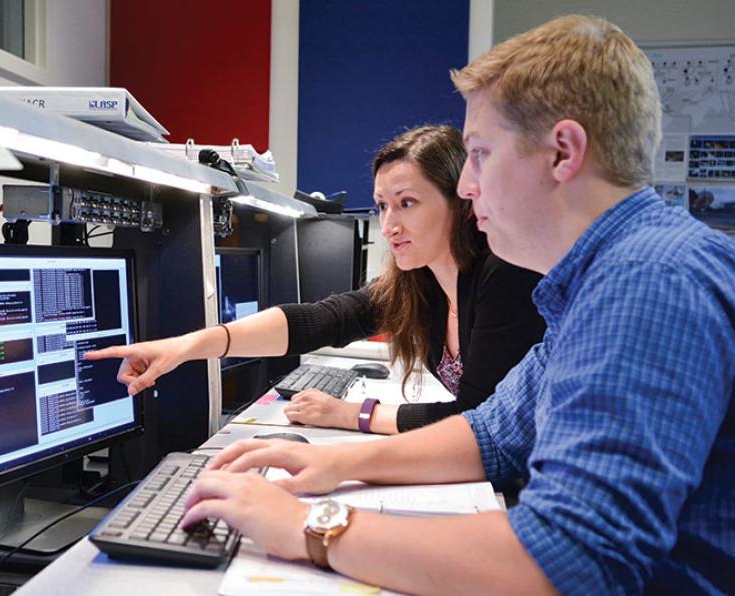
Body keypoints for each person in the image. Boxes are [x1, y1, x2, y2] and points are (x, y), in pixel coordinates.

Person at [173, 15, 734, 595]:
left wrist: (308, 526)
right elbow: (490, 434)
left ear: (563, 152)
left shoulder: (647, 280)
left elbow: (569, 559)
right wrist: (339, 466)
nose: (467, 185)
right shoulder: (598, 280)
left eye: (480, 153)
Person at [87, 125, 545, 434]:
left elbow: (474, 420)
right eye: (382, 206)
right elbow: (320, 321)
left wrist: (353, 415)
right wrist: (187, 346)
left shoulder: (501, 278)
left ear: (461, 202)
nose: (389, 226)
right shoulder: (421, 285)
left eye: (407, 203)